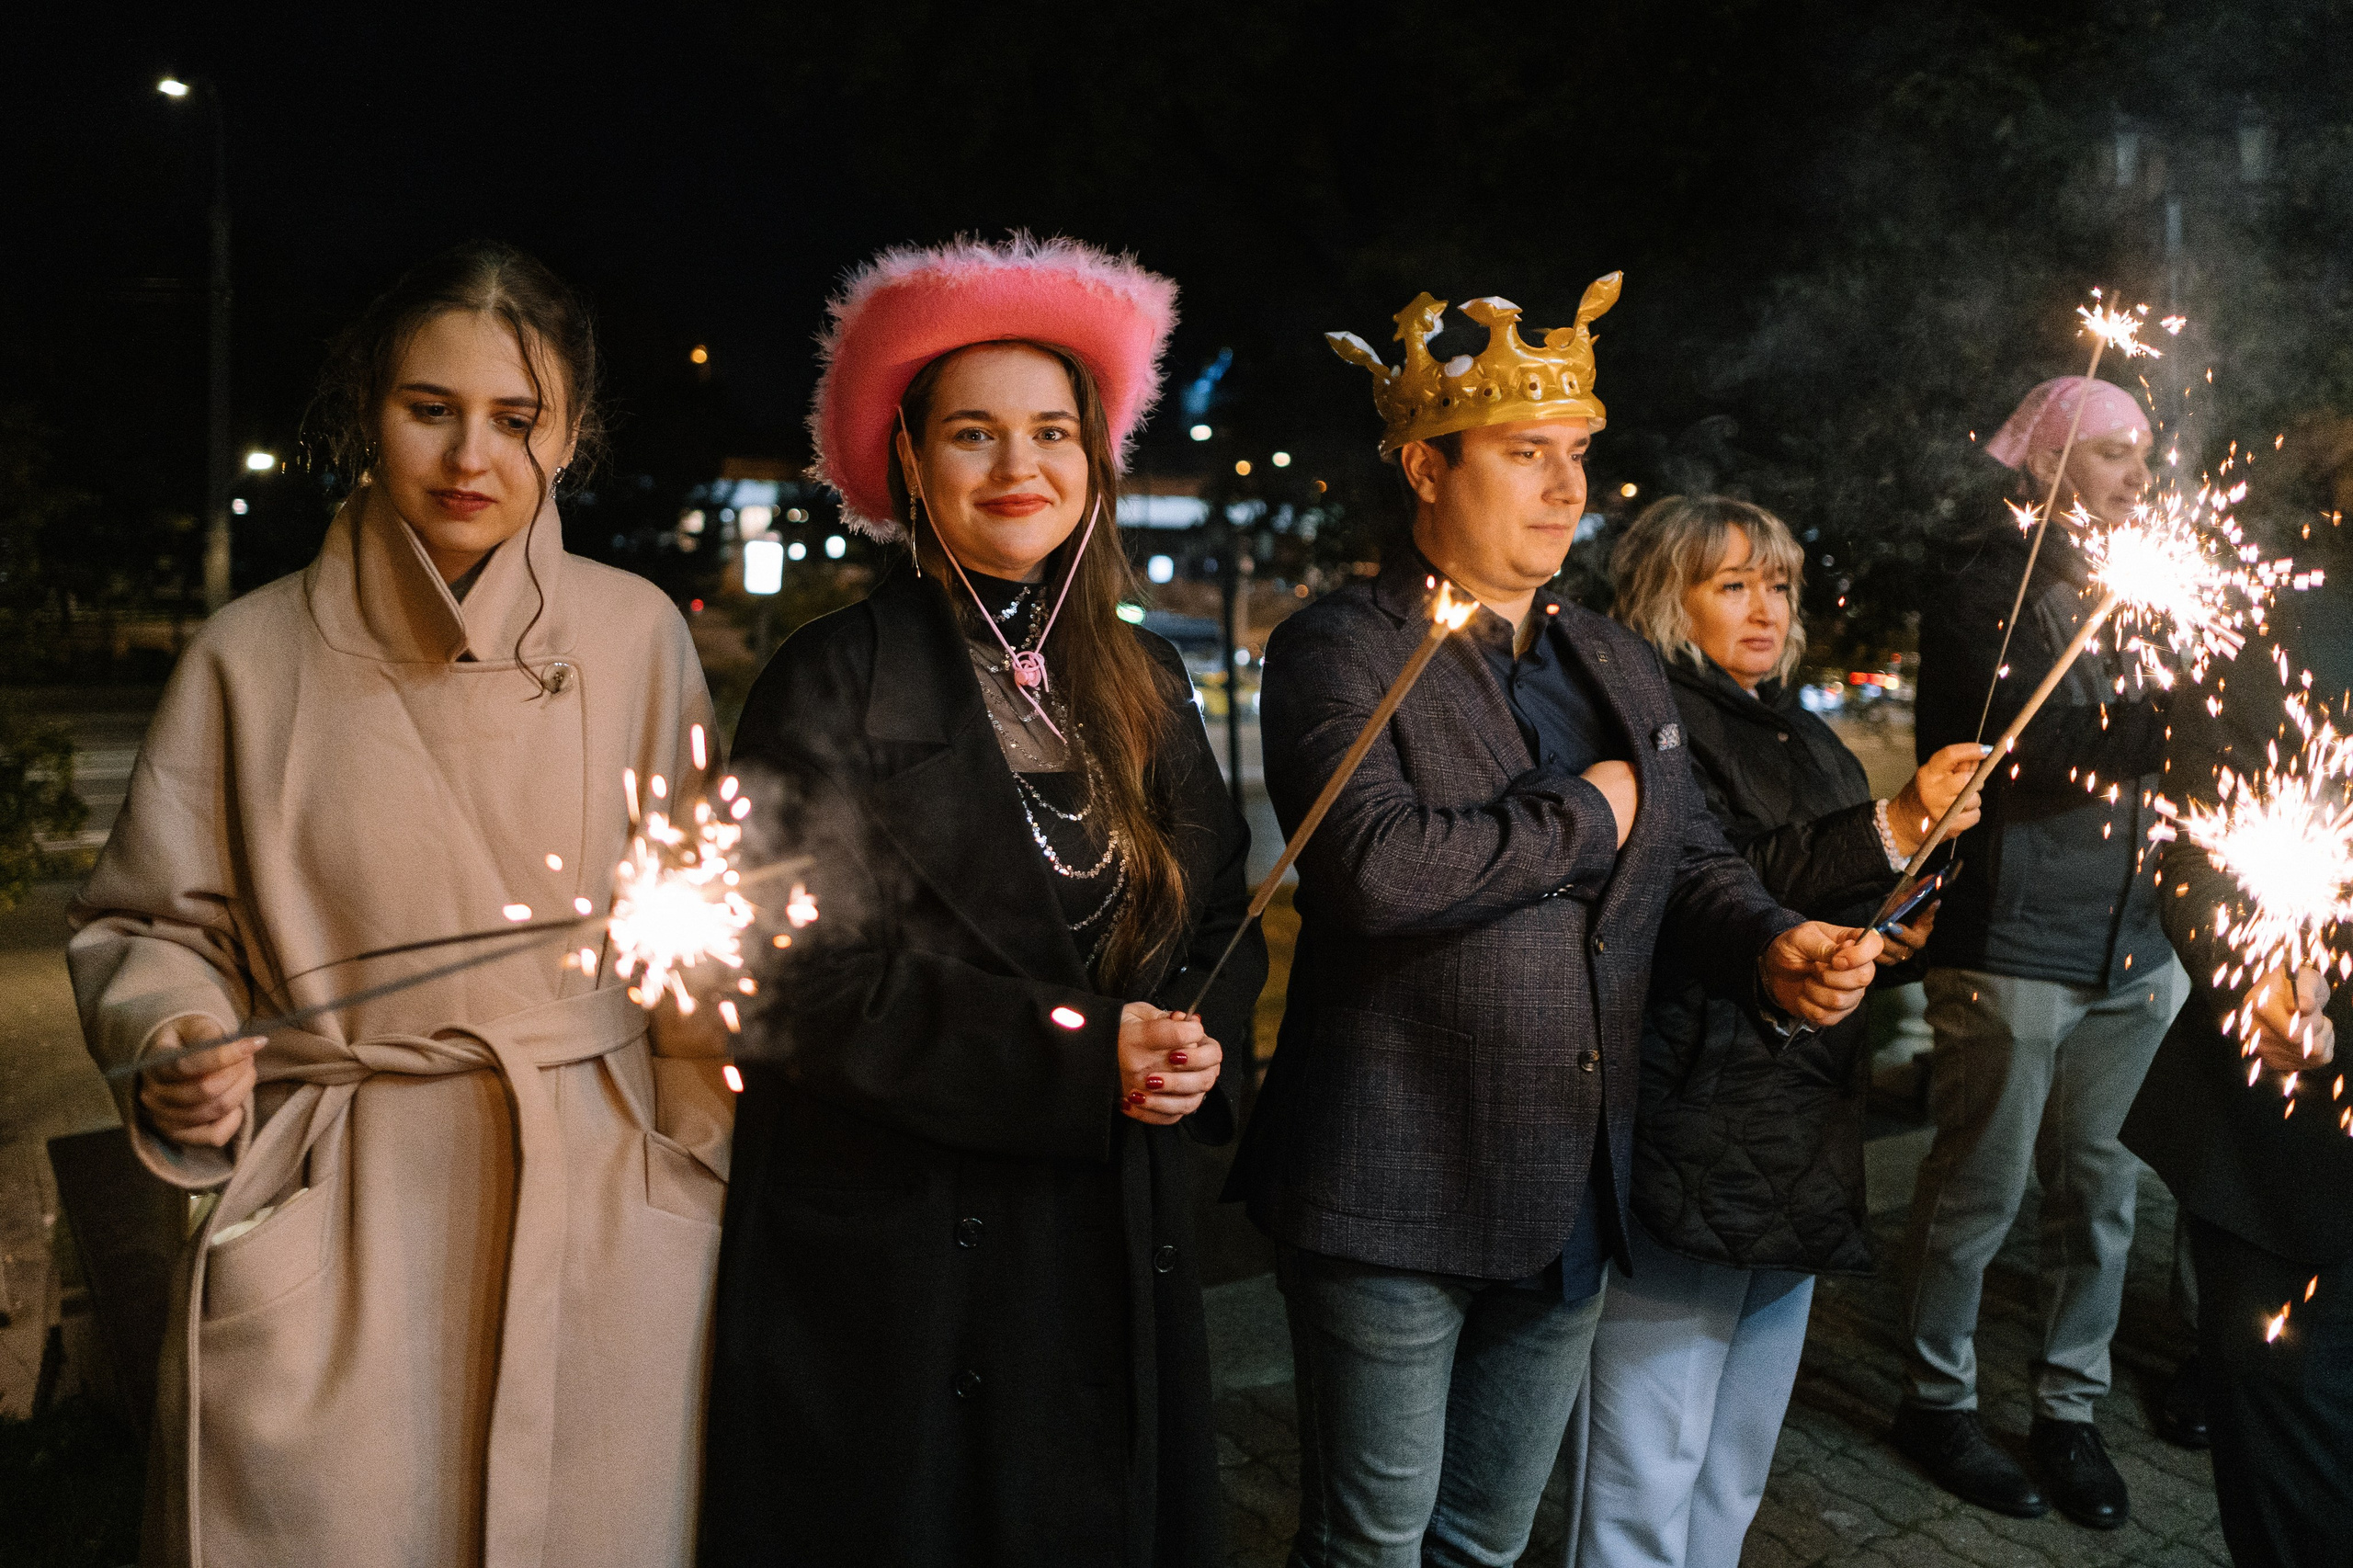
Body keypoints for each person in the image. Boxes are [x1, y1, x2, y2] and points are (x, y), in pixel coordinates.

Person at [67, 242, 729, 1567]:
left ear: (573, 434)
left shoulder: (636, 630)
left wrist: (696, 1149)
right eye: (430, 409)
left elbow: (700, 924)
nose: (469, 455)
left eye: (517, 419)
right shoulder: (250, 653)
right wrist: (173, 1043)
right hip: (337, 1179)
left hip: (599, 1185)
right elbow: (151, 926)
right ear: (364, 411)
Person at [1230, 282, 1886, 1568]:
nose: (1564, 486)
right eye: (1525, 455)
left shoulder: (1612, 657)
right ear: (1427, 465)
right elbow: (1373, 868)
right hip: (1392, 1177)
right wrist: (1587, 813)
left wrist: (1768, 940)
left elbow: (1690, 855)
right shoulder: (1342, 648)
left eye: (1576, 454)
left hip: (1573, 1185)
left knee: (1484, 1537)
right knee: (1371, 1541)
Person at [703, 236, 1264, 1566]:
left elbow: (1222, 904)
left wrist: (1194, 1037)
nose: (1020, 469)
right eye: (973, 433)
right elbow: (789, 976)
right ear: (907, 461)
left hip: (1109, 1223)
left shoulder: (1143, 675)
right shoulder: (826, 679)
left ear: (1095, 459)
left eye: (1052, 432)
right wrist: (1072, 1059)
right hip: (904, 1240)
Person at [1563, 495, 1984, 1567]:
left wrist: (1887, 933)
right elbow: (1717, 887)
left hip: (1796, 1117)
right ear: (1668, 594)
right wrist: (1888, 825)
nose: (1763, 607)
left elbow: (1818, 887)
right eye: (1730, 583)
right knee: (1644, 1451)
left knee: (1737, 1448)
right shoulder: (1650, 718)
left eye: (1779, 583)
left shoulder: (1795, 724)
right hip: (1691, 1106)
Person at [1893, 374, 2189, 1527]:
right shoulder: (1989, 591)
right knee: (1976, 1188)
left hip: (2136, 948)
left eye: (2145, 451)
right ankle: (1934, 1396)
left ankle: (2070, 1411)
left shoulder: (2159, 586)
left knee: (2101, 1194)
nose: (2139, 473)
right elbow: (2019, 754)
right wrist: (2184, 714)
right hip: (2012, 942)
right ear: (2049, 461)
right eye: (2113, 452)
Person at [2120, 560, 2353, 1568]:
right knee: (2297, 1450)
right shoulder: (2293, 630)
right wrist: (2252, 971)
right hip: (2293, 1158)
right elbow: (2201, 853)